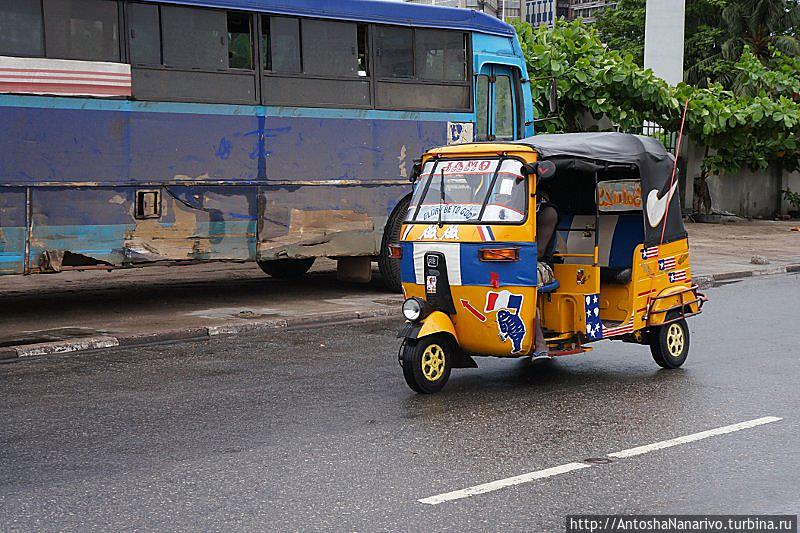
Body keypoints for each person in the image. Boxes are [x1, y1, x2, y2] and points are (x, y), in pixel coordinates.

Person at [532, 191, 558, 361]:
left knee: (523, 282)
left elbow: (539, 251)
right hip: (514, 261)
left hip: (543, 266)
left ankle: (540, 343)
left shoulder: (547, 212)